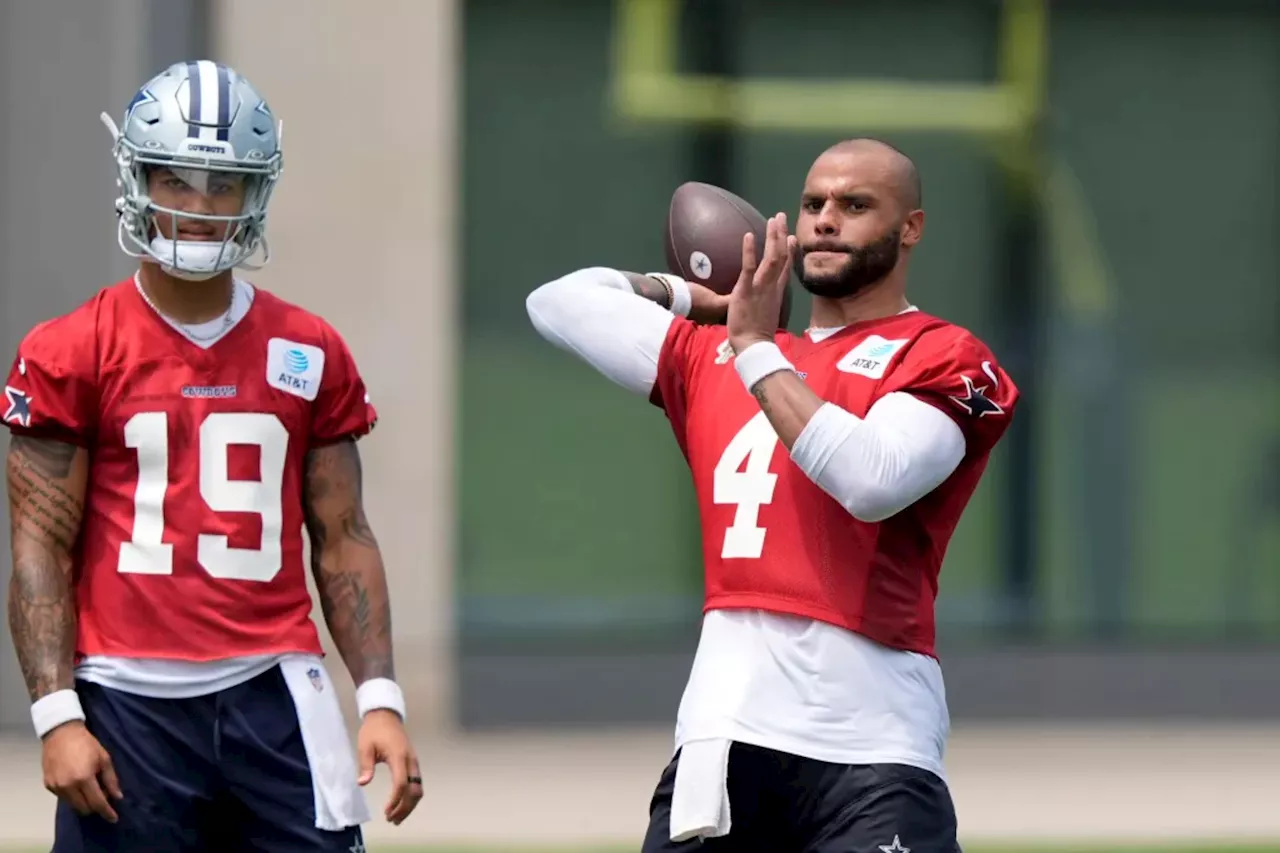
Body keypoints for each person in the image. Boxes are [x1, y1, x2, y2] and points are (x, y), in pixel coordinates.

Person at [525, 138, 1020, 852]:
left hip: (874, 743)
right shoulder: (712, 352)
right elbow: (559, 302)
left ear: (910, 227)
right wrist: (693, 297)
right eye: (814, 203)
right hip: (722, 737)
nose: (825, 220)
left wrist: (757, 348)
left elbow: (872, 479)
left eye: (854, 206)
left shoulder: (941, 352)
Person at [3, 60, 421, 852]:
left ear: (256, 190)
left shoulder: (309, 348)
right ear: (135, 176)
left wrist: (380, 697)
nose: (198, 207)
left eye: (222, 183)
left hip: (277, 691)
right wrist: (56, 714)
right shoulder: (70, 350)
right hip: (128, 702)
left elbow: (344, 537)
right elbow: (38, 548)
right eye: (176, 178)